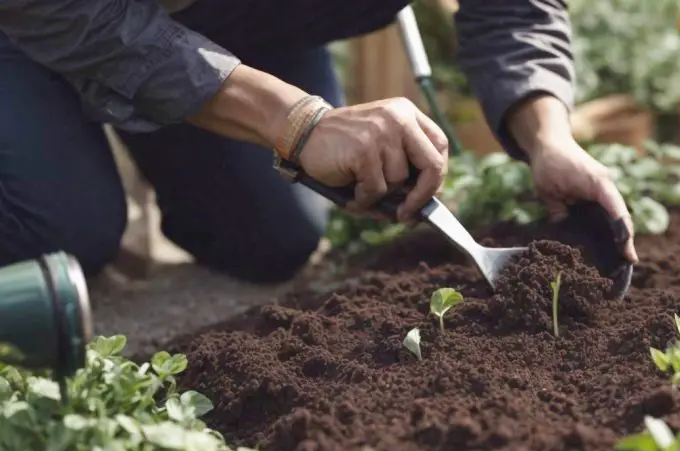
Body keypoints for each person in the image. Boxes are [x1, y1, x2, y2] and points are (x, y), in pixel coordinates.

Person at [0, 0, 638, 284]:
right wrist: (296, 120)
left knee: (269, 240)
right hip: (32, 20)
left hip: (231, 19)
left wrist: (548, 136)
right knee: (61, 239)